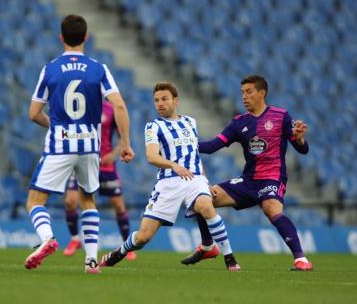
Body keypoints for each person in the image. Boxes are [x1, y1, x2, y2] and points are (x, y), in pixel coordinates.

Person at [25, 14, 134, 273]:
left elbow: (32, 113)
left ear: (61, 37)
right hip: (90, 146)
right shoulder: (99, 68)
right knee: (88, 200)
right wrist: (126, 143)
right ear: (86, 37)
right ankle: (91, 260)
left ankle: (47, 239)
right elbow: (118, 104)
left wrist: (57, 127)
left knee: (35, 201)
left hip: (60, 145)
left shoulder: (50, 68)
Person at [100, 82, 240, 271]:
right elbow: (151, 156)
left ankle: (230, 259)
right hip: (168, 183)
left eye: (164, 99)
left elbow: (194, 155)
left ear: (176, 101)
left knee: (206, 206)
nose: (160, 103)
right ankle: (120, 252)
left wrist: (205, 181)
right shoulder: (153, 126)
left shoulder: (191, 122)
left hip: (194, 179)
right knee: (143, 237)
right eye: (156, 100)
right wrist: (174, 165)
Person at [181, 75, 313, 271]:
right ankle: (208, 246)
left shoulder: (281, 116)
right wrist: (183, 145)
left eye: (249, 92)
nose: (244, 96)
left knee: (271, 208)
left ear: (262, 93)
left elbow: (302, 149)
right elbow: (212, 146)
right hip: (247, 181)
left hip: (272, 178)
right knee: (203, 198)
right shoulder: (238, 122)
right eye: (242, 92)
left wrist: (300, 139)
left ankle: (301, 260)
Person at [62, 101, 135, 260]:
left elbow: (123, 136)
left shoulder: (111, 109)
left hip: (105, 166)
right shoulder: (81, 105)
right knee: (70, 201)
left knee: (119, 205)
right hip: (83, 161)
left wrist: (114, 155)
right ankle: (75, 239)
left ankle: (127, 245)